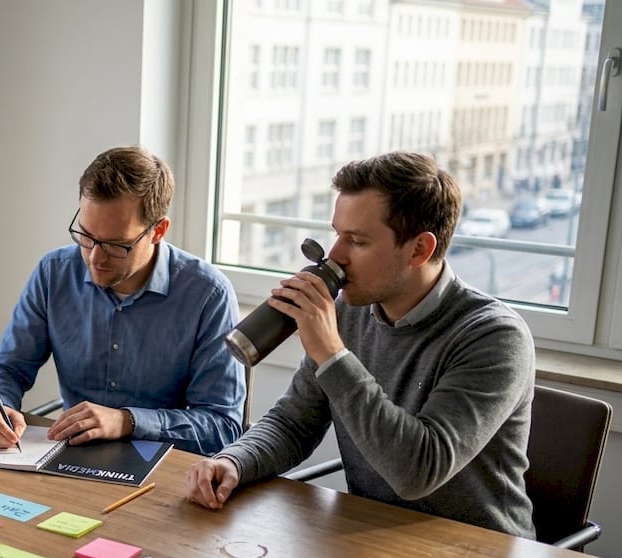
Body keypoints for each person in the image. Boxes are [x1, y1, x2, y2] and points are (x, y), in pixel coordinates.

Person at [185, 151, 536, 537]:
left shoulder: (495, 337)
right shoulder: (350, 313)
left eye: (357, 241)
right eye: (337, 234)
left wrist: (332, 353)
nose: (335, 255)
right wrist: (235, 461)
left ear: (420, 249)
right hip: (373, 539)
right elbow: (293, 423)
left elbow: (418, 471)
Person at [0, 145, 244, 455]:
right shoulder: (54, 273)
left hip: (169, 474)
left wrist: (127, 421)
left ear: (158, 231)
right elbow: (7, 367)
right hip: (71, 459)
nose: (94, 257)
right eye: (86, 236)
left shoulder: (208, 295)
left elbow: (222, 426)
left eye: (117, 245)